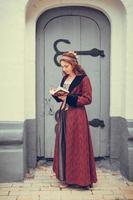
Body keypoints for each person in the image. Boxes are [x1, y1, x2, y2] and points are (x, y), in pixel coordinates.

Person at [50, 51, 97, 189]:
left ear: (73, 65)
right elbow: (62, 97)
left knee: (77, 146)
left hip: (77, 117)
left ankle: (83, 180)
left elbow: (88, 99)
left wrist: (68, 98)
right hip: (64, 115)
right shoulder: (65, 79)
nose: (63, 69)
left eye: (66, 66)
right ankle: (67, 178)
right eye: (62, 66)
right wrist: (55, 94)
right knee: (65, 146)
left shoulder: (83, 79)